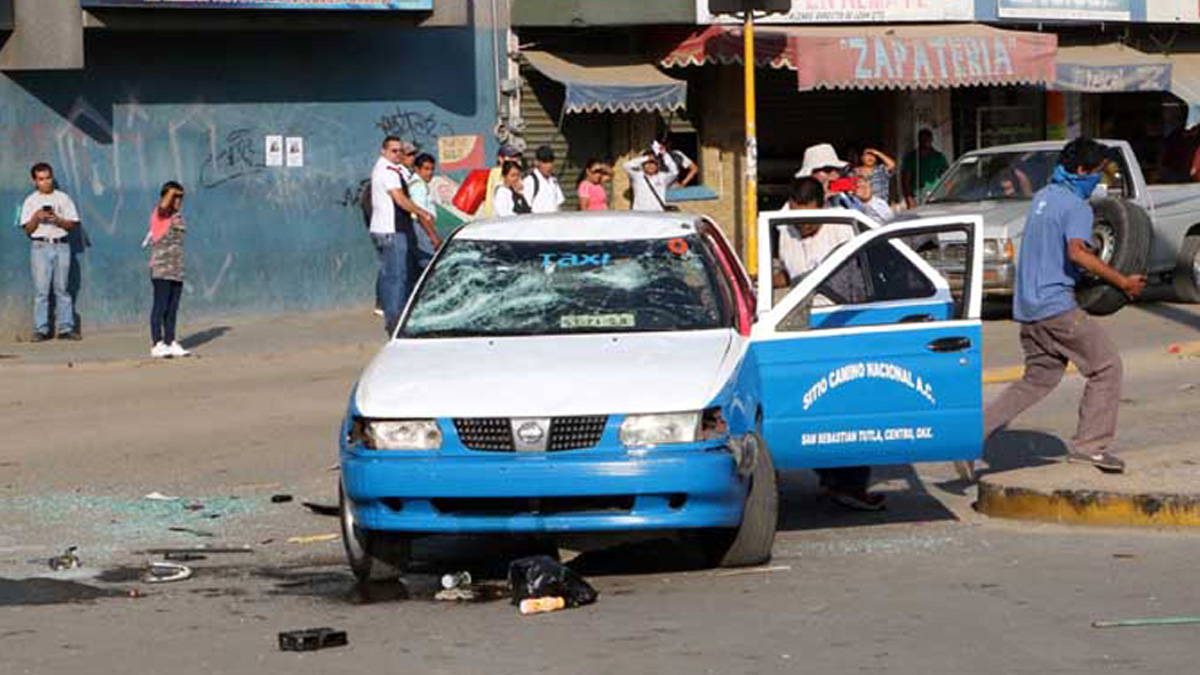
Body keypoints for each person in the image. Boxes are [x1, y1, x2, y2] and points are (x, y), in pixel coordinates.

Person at [981, 138, 1146, 475]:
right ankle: (1091, 446)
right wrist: (1122, 282)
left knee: (1038, 379)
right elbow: (1077, 252)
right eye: (1097, 173)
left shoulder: (1043, 198)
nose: (1100, 181)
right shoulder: (1077, 207)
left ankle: (971, 438)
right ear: (1082, 171)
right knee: (1106, 367)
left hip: (1027, 309)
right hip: (1055, 307)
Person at [794, 143, 883, 511]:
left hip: (845, 322)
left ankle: (847, 482)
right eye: (827, 172)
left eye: (836, 172)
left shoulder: (845, 214)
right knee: (821, 408)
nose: (834, 178)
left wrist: (864, 201)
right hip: (806, 326)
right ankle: (836, 480)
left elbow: (878, 236)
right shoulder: (790, 217)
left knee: (853, 405)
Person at [370, 136, 435, 335]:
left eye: (400, 151)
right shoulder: (388, 171)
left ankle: (393, 317)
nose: (397, 154)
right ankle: (395, 323)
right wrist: (421, 211)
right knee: (397, 278)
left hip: (385, 230)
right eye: (394, 151)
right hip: (392, 231)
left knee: (391, 276)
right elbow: (400, 199)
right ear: (384, 151)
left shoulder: (388, 169)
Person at [18, 163, 80, 341]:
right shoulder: (30, 201)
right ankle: (41, 329)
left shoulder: (63, 199)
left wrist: (58, 220)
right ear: (35, 181)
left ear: (52, 177)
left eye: (48, 178)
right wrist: (36, 218)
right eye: (41, 179)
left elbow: (72, 225)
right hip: (40, 247)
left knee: (62, 289)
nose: (45, 182)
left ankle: (66, 328)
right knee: (41, 290)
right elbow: (28, 230)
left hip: (61, 245)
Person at [142, 182, 190, 359]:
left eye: (180, 197)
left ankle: (170, 341)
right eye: (175, 197)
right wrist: (171, 193)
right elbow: (163, 207)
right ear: (166, 197)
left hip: (176, 268)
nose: (178, 200)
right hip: (161, 268)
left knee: (172, 308)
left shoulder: (178, 216)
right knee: (160, 306)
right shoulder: (159, 215)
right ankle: (157, 343)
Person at [901, 129, 949, 209]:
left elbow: (947, 177)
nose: (925, 141)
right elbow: (906, 180)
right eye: (922, 139)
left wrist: (948, 195)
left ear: (931, 140)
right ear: (919, 140)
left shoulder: (938, 157)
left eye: (927, 139)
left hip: (936, 195)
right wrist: (909, 199)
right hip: (917, 196)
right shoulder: (911, 157)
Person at [407, 152, 441, 268]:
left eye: (432, 169)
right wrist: (433, 236)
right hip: (422, 229)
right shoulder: (418, 186)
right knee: (430, 265)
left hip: (423, 228)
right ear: (417, 169)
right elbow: (420, 214)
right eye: (426, 169)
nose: (430, 173)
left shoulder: (420, 184)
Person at [523, 145, 565, 214]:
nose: (549, 166)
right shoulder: (530, 181)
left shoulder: (553, 180)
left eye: (550, 162)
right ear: (537, 162)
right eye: (545, 162)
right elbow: (526, 208)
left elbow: (558, 205)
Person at [484, 143, 522, 218]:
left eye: (515, 157)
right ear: (500, 158)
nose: (514, 159)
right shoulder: (497, 172)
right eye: (510, 157)